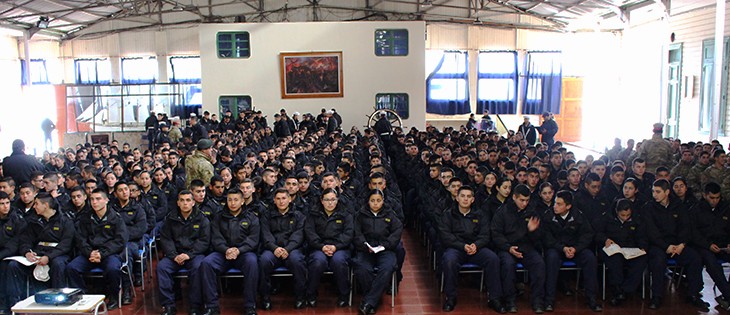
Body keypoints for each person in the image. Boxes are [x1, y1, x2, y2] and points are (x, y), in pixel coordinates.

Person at [642, 179, 708, 310]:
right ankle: (657, 296)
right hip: (658, 245)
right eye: (653, 191)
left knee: (694, 257)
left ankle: (693, 294)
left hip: (678, 245)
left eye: (658, 192)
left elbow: (686, 228)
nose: (654, 194)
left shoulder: (679, 206)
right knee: (658, 260)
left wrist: (682, 244)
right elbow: (651, 232)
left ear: (667, 192)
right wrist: (666, 246)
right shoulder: (648, 208)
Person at [438, 186, 504, 313]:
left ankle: (494, 298)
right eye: (462, 196)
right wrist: (462, 246)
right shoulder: (448, 215)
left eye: (469, 197)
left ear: (473, 199)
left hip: (476, 248)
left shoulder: (480, 214)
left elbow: (485, 235)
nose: (465, 199)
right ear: (457, 198)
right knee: (449, 260)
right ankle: (450, 298)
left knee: (493, 259)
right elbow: (446, 236)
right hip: (456, 248)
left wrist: (476, 245)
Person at [7, 193, 74, 310]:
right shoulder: (33, 221)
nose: (34, 207)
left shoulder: (65, 221)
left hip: (57, 254)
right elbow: (25, 240)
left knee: (58, 264)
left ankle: (58, 304)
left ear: (46, 205)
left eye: (37, 204)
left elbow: (66, 244)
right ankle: (15, 304)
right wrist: (27, 252)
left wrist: (49, 257)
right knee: (14, 265)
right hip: (37, 254)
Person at [199, 189, 259, 315]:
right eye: (230, 200)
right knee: (207, 263)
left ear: (242, 201)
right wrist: (226, 249)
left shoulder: (251, 217)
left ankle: (250, 305)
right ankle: (212, 306)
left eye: (236, 200)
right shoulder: (219, 217)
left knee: (252, 263)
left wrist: (239, 250)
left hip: (243, 252)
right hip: (222, 252)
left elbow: (253, 239)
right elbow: (216, 237)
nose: (232, 203)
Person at [66, 189, 129, 310]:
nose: (94, 202)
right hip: (90, 253)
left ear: (106, 200)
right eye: (92, 199)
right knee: (71, 268)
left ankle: (114, 297)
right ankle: (82, 295)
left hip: (110, 253)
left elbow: (120, 241)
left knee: (113, 269)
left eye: (98, 199)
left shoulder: (116, 218)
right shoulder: (86, 218)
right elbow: (81, 239)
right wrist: (89, 252)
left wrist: (102, 253)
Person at [542, 191, 602, 312]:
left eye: (559, 204)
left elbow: (587, 235)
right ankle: (549, 300)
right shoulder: (548, 216)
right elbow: (546, 238)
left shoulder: (578, 216)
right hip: (557, 249)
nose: (555, 206)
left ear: (568, 206)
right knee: (551, 258)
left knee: (590, 258)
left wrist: (575, 248)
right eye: (555, 203)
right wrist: (562, 248)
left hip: (575, 249)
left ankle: (591, 298)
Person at [491, 184, 546, 313]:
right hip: (507, 248)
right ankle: (510, 301)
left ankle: (537, 301)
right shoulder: (502, 211)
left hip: (526, 247)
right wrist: (508, 248)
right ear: (514, 197)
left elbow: (539, 237)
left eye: (527, 200)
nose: (525, 203)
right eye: (522, 200)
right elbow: (496, 234)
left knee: (539, 264)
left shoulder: (532, 212)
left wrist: (532, 231)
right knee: (508, 265)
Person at [157, 190, 211, 315]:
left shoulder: (202, 218)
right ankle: (168, 305)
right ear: (178, 203)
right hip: (175, 255)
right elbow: (166, 239)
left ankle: (195, 306)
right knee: (162, 267)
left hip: (194, 254)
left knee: (198, 267)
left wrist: (189, 255)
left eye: (188, 200)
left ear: (193, 202)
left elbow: (204, 240)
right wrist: (173, 255)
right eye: (182, 200)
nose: (185, 203)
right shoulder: (170, 218)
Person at [352, 189, 403, 315]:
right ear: (368, 201)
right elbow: (356, 233)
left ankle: (369, 302)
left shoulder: (389, 214)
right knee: (362, 267)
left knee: (388, 266)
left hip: (385, 249)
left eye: (378, 201)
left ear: (383, 201)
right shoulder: (360, 215)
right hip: (366, 249)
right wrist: (364, 245)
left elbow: (397, 230)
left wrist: (385, 245)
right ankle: (373, 300)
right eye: (372, 201)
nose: (375, 203)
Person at [258, 188, 307, 309]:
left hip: (292, 249)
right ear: (274, 200)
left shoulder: (299, 215)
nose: (281, 201)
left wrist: (288, 249)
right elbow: (266, 234)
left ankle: (300, 296)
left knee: (297, 261)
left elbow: (299, 234)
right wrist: (274, 248)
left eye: (284, 198)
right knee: (263, 261)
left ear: (290, 199)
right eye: (278, 199)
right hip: (272, 249)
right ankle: (265, 297)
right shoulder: (266, 215)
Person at [304, 188, 353, 307]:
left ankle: (344, 295)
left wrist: (335, 246)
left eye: (333, 200)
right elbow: (310, 233)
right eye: (327, 200)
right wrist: (322, 246)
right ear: (322, 201)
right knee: (317, 262)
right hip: (319, 247)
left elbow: (348, 234)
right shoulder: (313, 214)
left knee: (339, 261)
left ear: (337, 200)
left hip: (340, 247)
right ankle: (311, 294)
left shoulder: (345, 214)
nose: (330, 203)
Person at [594, 198, 648, 306]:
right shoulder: (606, 218)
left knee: (642, 260)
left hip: (631, 249)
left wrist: (643, 247)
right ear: (616, 211)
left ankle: (626, 289)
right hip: (613, 248)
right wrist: (605, 239)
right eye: (622, 215)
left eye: (628, 215)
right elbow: (597, 233)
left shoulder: (637, 220)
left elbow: (642, 236)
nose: (625, 218)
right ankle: (617, 289)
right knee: (615, 260)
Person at [690, 182, 730, 310]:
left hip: (723, 244)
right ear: (705, 195)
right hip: (704, 246)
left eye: (717, 198)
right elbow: (694, 234)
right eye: (712, 198)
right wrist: (708, 245)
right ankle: (728, 295)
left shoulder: (726, 208)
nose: (715, 201)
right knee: (713, 265)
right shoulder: (695, 210)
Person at [0, 191, 26, 314]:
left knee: (7, 266)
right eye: (2, 204)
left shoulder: (17, 218)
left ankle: (9, 304)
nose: (5, 206)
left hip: (12, 254)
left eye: (7, 203)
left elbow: (15, 243)